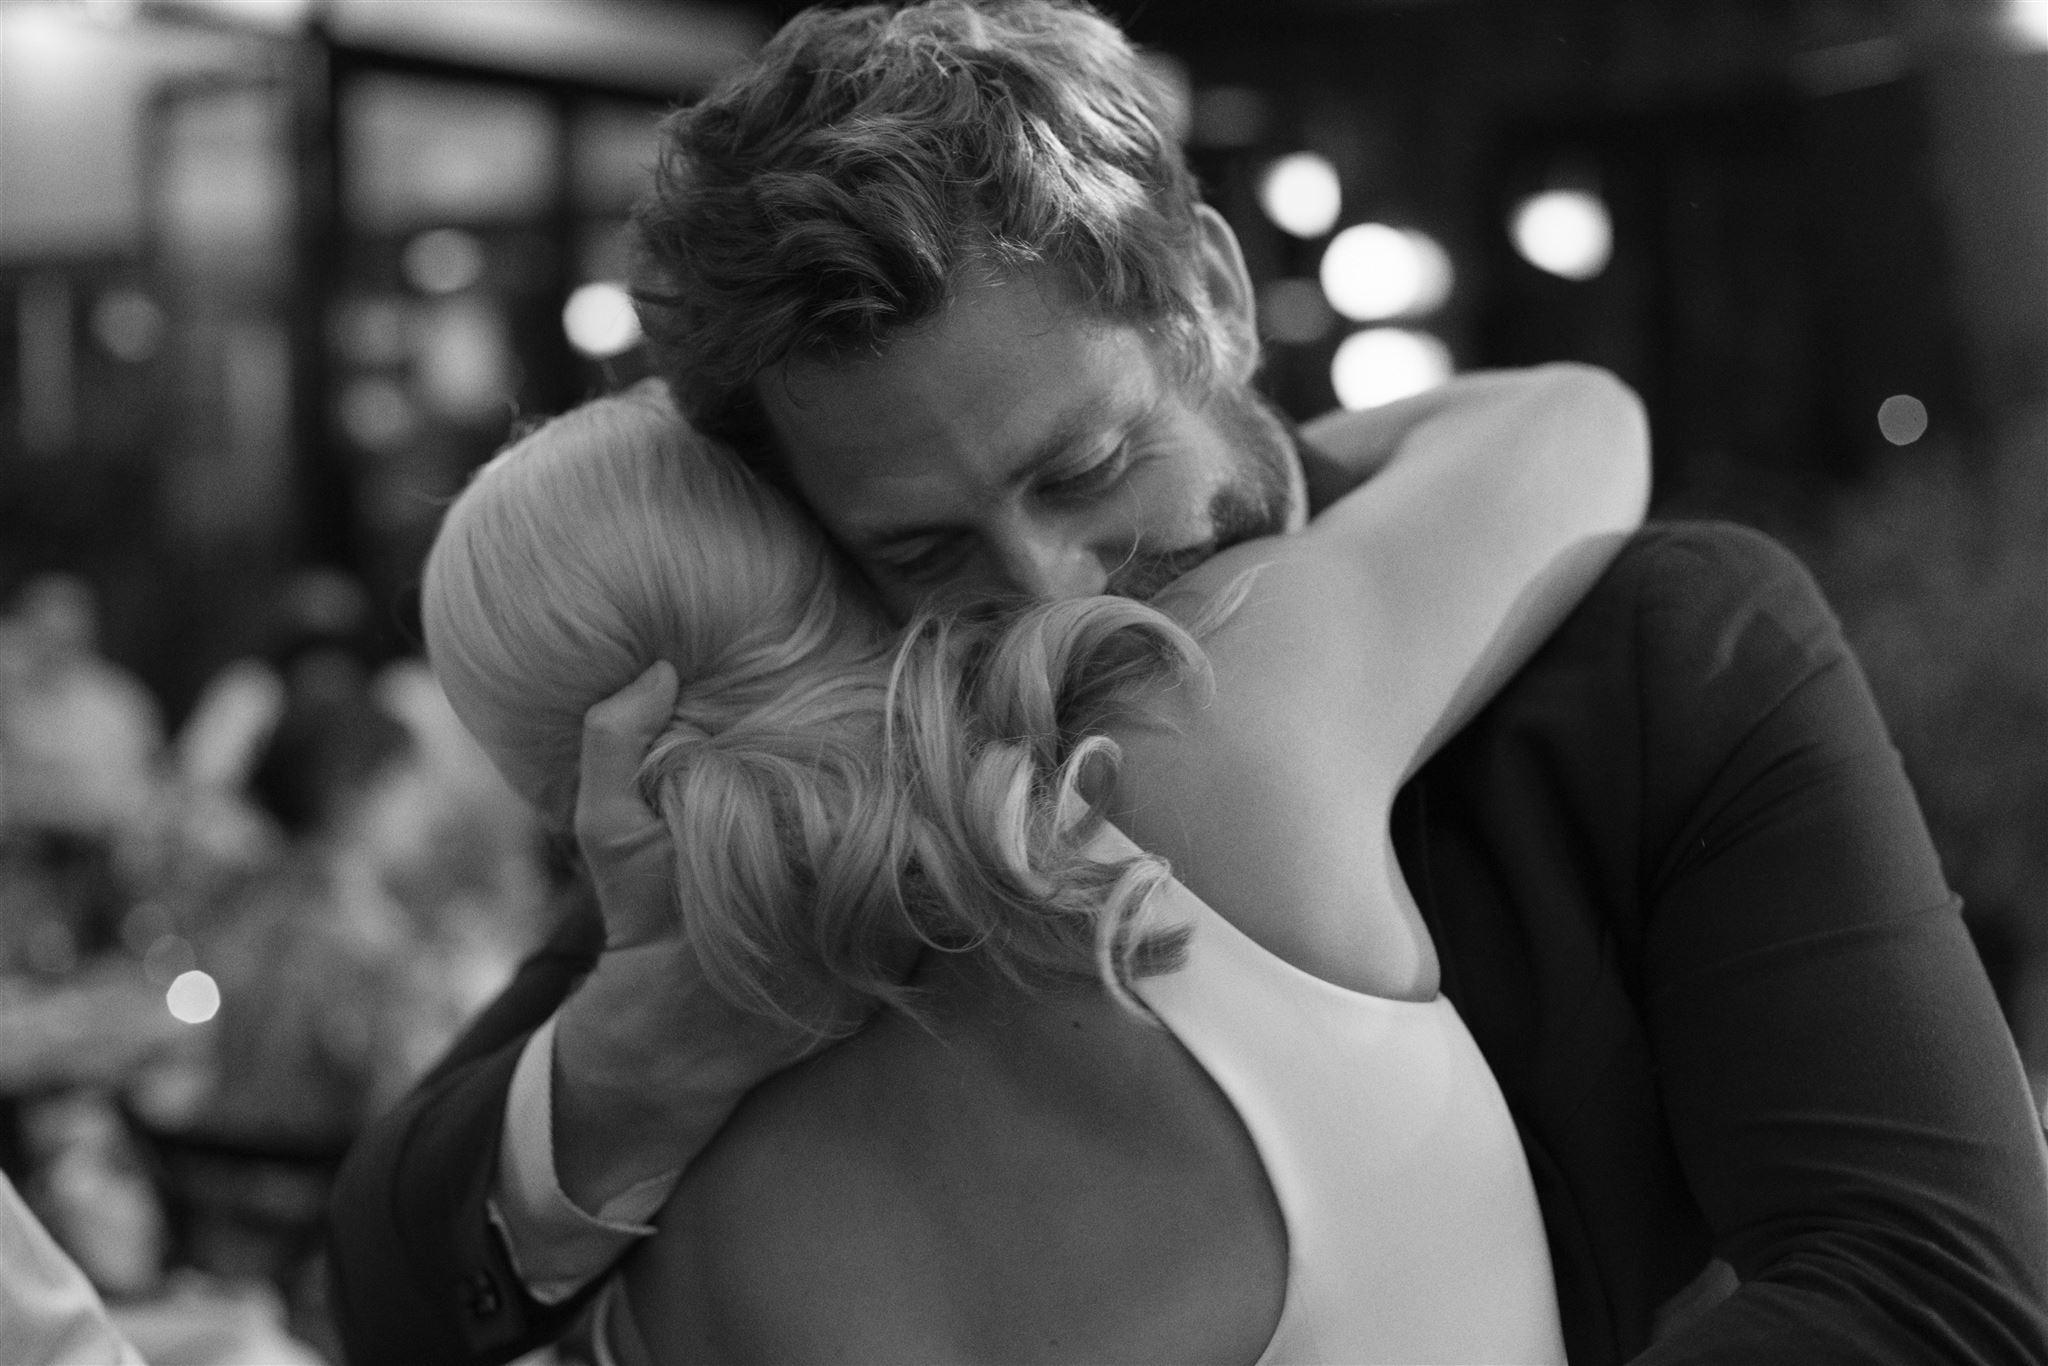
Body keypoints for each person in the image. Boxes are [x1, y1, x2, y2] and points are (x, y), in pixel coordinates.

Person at [326, 3, 2048, 1362]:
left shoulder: (1665, 640)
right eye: (920, 544)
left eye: (1083, 467)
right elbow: (399, 1276)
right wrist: (647, 1054)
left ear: (1210, 295)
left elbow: (1929, 1282)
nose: (1044, 586)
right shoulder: (819, 755)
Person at [416, 366, 1641, 1360]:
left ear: (563, 797)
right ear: (844, 555)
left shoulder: (649, 1290)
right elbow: (1569, 419)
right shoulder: (1194, 741)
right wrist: (1179, 426)